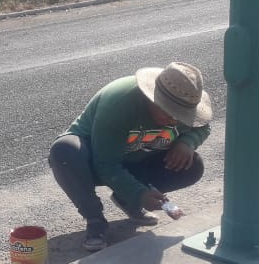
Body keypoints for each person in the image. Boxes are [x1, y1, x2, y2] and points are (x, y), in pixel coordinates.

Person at [49, 62, 212, 251]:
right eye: (169, 113)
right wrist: (139, 193)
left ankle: (125, 199)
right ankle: (95, 221)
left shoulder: (184, 106)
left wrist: (188, 142)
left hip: (137, 157)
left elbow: (203, 126)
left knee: (192, 166)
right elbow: (106, 163)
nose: (174, 120)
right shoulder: (120, 102)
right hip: (94, 158)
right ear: (152, 98)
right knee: (64, 152)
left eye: (181, 115)